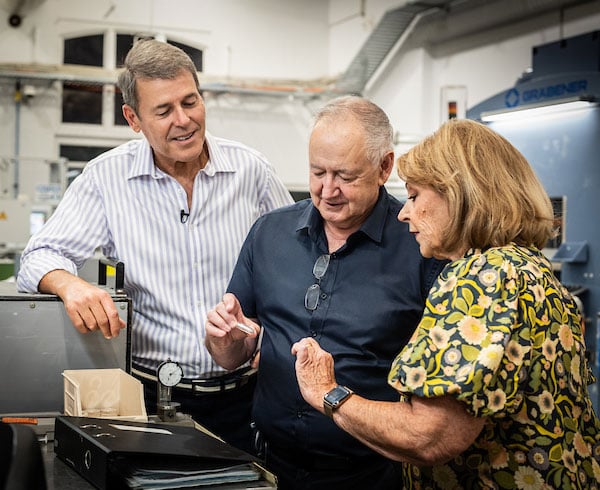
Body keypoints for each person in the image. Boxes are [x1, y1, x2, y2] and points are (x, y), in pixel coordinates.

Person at [17, 38, 293, 453]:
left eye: (190, 101)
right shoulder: (106, 179)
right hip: (154, 401)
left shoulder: (250, 171)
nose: (184, 120)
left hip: (249, 397)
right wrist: (70, 285)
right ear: (133, 118)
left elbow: (296, 259)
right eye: (163, 111)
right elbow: (37, 258)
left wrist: (275, 330)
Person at [292, 118, 600, 488]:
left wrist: (328, 392)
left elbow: (429, 436)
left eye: (414, 195)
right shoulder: (527, 266)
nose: (404, 212)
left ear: (459, 194)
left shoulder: (482, 280)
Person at [205, 95, 446, 489]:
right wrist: (224, 340)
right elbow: (232, 354)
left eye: (345, 176)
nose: (327, 190)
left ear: (384, 167)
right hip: (269, 465)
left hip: (372, 474)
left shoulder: (421, 245)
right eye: (318, 172)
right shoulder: (269, 233)